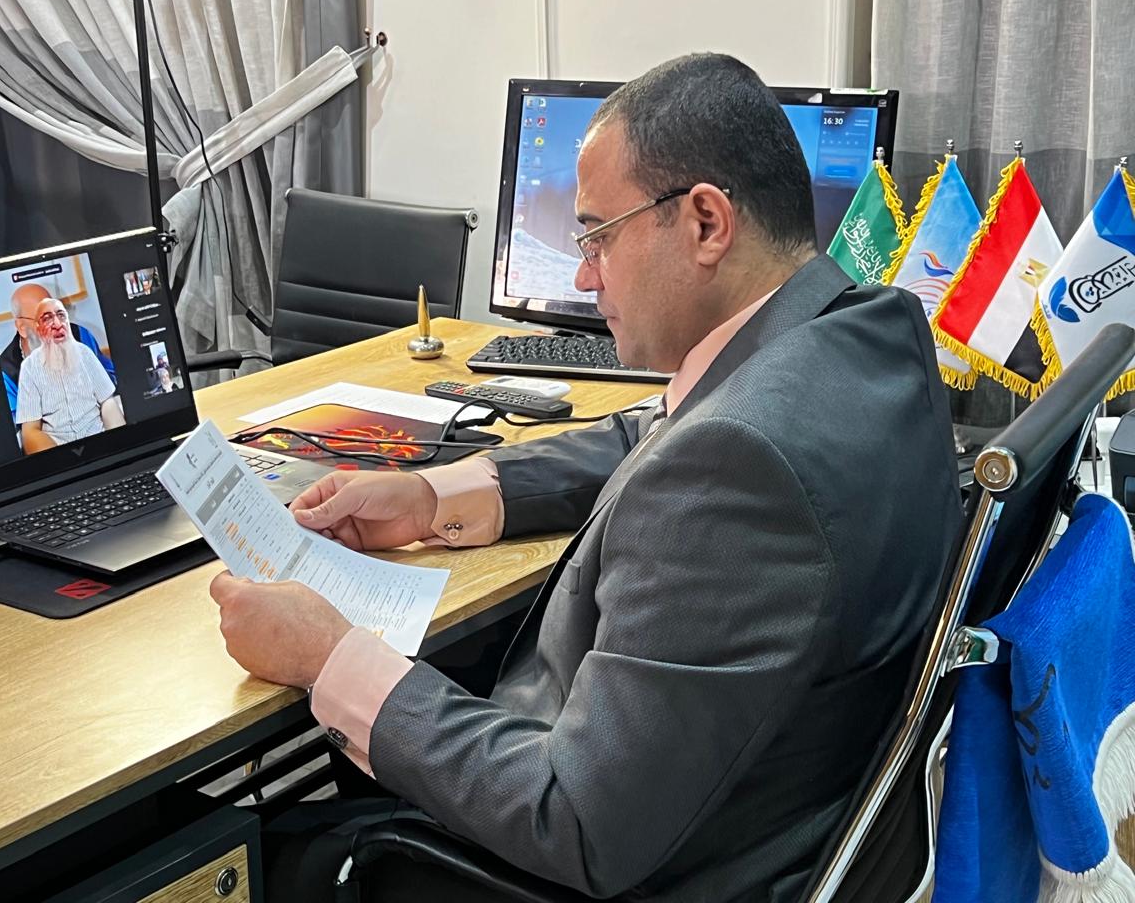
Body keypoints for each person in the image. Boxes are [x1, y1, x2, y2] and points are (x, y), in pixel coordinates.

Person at [208, 52, 964, 902]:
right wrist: (433, 496)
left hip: (655, 860)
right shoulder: (867, 330)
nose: (582, 274)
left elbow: (574, 820)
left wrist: (329, 655)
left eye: (598, 236)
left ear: (706, 223)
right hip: (772, 803)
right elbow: (659, 427)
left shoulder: (737, 467)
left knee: (268, 853)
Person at [15, 298, 125, 453]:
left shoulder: (85, 353)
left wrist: (118, 445)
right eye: (47, 319)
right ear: (38, 329)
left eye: (61, 316)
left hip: (99, 442)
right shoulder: (29, 367)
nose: (57, 324)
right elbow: (30, 430)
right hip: (59, 450)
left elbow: (107, 401)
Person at [0, 281, 115, 424]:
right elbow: (20, 426)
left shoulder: (79, 335)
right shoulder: (6, 373)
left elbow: (110, 378)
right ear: (22, 327)